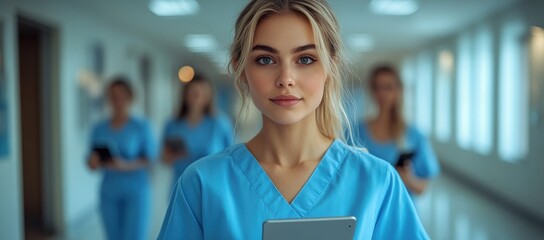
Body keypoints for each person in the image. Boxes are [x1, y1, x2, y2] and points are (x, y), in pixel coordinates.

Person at [158, 0, 428, 239]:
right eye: (265, 59)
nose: (285, 78)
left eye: (306, 59)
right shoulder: (201, 184)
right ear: (241, 69)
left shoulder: (377, 182)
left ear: (330, 66)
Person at [87, 77, 157, 240]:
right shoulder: (99, 128)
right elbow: (91, 159)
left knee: (134, 236)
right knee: (113, 236)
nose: (117, 100)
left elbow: (150, 158)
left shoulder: (141, 126)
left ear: (130, 97)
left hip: (136, 191)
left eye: (121, 95)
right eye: (113, 96)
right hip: (109, 191)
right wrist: (93, 162)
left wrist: (125, 165)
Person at [357, 65, 440, 197]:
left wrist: (409, 179)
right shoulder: (356, 131)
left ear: (398, 90)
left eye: (388, 87)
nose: (382, 93)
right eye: (377, 87)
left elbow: (423, 187)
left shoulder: (414, 135)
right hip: (368, 209)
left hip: (401, 209)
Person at [161, 75, 234, 186]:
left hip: (212, 183)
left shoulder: (219, 124)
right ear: (185, 95)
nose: (197, 98)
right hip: (181, 183)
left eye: (202, 94)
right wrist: (175, 155)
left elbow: (232, 157)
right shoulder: (173, 124)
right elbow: (164, 158)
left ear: (208, 97)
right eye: (194, 93)